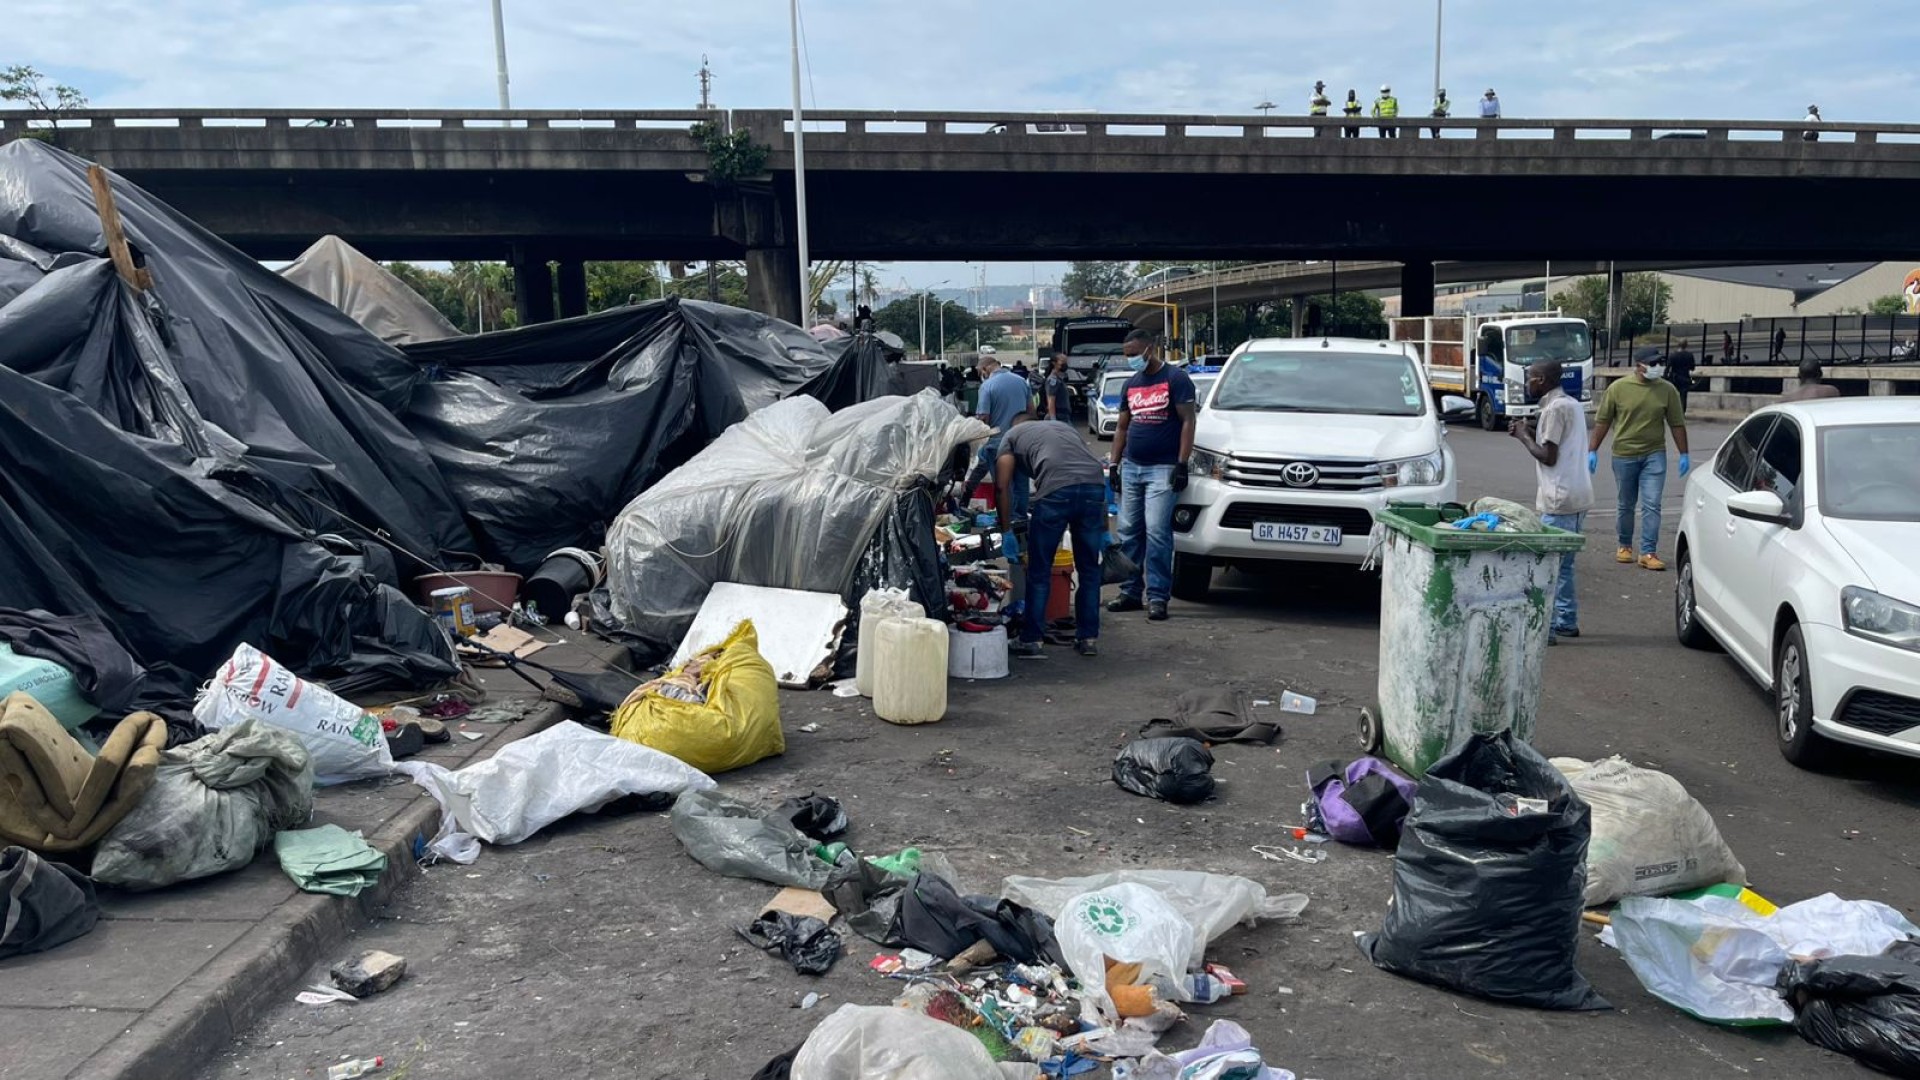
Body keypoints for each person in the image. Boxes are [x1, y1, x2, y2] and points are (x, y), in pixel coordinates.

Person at [998, 413, 1109, 658]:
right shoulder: (1063, 427)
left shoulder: (1011, 435)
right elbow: (1087, 463)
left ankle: (1032, 641)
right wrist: (1105, 530)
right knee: (1089, 571)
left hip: (1056, 492)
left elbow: (1002, 485)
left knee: (1040, 571)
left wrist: (1006, 531)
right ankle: (1088, 638)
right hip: (1095, 487)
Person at [1109, 329, 1197, 622]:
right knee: (1128, 532)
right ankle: (1131, 592)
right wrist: (1114, 465)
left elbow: (1187, 421)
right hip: (1132, 467)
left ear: (1150, 349)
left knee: (1157, 532)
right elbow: (1122, 428)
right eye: (1127, 355)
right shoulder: (1131, 384)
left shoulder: (1176, 379)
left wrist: (1181, 463)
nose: (1131, 359)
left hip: (1163, 468)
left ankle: (1158, 596)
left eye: (1134, 354)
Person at [1509, 361, 1593, 643]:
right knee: (1564, 564)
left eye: (1530, 379)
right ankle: (1565, 619)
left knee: (1549, 565)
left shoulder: (1555, 409)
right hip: (1578, 493)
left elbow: (1548, 456)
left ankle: (1551, 625)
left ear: (1541, 380)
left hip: (1559, 496)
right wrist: (1531, 432)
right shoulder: (1571, 404)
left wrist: (1523, 437)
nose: (1527, 384)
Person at [1588, 347, 1689, 571]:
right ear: (1639, 365)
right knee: (1626, 504)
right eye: (1653, 363)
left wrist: (1684, 453)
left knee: (1652, 504)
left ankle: (1648, 551)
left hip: (1654, 454)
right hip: (1624, 454)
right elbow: (1603, 422)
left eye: (1660, 363)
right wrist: (1592, 450)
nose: (1658, 367)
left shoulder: (1667, 390)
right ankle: (1624, 545)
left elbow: (1676, 423)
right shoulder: (1618, 389)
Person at [1668, 338, 1696, 413]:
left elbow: (1668, 368)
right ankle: (1682, 413)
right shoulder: (1689, 355)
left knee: (1674, 396)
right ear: (1686, 345)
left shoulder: (1672, 355)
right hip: (1685, 378)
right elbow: (1692, 368)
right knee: (1683, 397)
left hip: (1675, 378)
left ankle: (1673, 412)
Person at [1044, 353, 1074, 421]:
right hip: (1059, 416)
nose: (1065, 364)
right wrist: (1053, 419)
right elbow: (1051, 399)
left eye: (1066, 362)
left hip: (1063, 416)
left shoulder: (1059, 379)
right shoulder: (1053, 380)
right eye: (1062, 361)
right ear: (1054, 363)